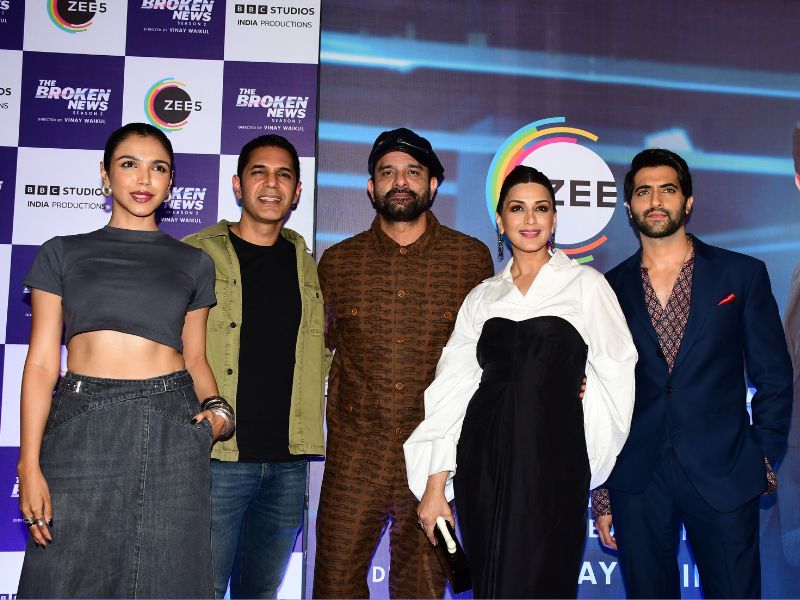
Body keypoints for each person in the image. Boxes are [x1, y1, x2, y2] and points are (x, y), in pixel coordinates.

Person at [16, 122, 232, 598]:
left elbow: (195, 357)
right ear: (105, 174)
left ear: (171, 182)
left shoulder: (193, 262)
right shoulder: (61, 252)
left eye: (159, 168)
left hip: (171, 423)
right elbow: (42, 365)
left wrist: (219, 413)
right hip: (82, 423)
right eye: (129, 164)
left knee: (168, 576)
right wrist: (28, 464)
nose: (144, 179)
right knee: (64, 576)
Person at [403, 165, 637, 598]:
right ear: (500, 220)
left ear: (554, 219)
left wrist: (583, 440)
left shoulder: (587, 286)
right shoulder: (482, 296)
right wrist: (435, 487)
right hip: (482, 462)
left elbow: (617, 375)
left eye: (541, 209)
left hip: (555, 464)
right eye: (517, 209)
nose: (530, 219)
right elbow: (451, 390)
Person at [592, 148, 793, 598]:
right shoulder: (607, 289)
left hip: (724, 470)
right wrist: (603, 491)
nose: (655, 200)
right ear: (629, 207)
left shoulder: (740, 275)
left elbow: (775, 376)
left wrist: (760, 456)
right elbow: (602, 394)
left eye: (667, 189)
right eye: (643, 191)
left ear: (688, 201)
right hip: (637, 478)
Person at [313, 128, 494, 598]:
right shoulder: (337, 262)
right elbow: (320, 351)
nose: (400, 182)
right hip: (356, 456)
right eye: (387, 172)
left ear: (432, 185)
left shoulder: (471, 259)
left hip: (433, 459)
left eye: (413, 172)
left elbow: (488, 357)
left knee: (422, 590)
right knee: (334, 584)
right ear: (370, 187)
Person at [183, 134, 327, 599]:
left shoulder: (308, 263)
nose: (271, 183)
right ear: (237, 184)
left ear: (297, 191)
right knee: (198, 590)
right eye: (259, 172)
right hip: (217, 459)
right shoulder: (195, 254)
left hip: (288, 464)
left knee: (260, 593)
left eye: (284, 174)